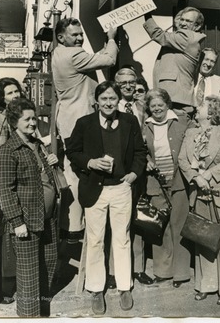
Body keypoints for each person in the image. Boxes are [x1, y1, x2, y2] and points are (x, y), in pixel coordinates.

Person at [65, 81, 146, 315]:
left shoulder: (129, 122)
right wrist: (90, 163)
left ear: (118, 100)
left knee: (122, 239)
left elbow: (140, 151)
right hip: (95, 190)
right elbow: (72, 151)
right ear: (96, 102)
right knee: (96, 240)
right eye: (104, 99)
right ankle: (96, 289)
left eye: (112, 99)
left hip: (121, 188)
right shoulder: (85, 123)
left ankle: (124, 286)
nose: (109, 103)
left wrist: (133, 174)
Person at [52, 17, 118, 241]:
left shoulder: (59, 53)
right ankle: (78, 227)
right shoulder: (73, 55)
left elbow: (92, 60)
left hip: (68, 117)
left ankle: (71, 226)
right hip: (79, 118)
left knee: (73, 169)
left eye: (81, 33)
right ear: (61, 37)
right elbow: (109, 60)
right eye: (75, 35)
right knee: (82, 171)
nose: (80, 37)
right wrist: (111, 38)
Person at [0, 98, 58, 317]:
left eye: (34, 118)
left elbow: (44, 178)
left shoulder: (38, 145)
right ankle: (29, 316)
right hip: (27, 222)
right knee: (29, 275)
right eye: (27, 119)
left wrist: (52, 163)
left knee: (48, 267)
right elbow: (6, 190)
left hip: (48, 218)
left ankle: (41, 312)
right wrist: (17, 222)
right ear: (14, 122)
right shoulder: (7, 151)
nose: (33, 123)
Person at [179, 96, 220, 305]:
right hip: (200, 195)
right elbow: (182, 160)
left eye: (202, 106)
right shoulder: (190, 133)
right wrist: (197, 177)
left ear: (212, 111)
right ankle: (206, 285)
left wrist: (210, 174)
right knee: (204, 241)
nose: (197, 108)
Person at [143, 88, 191, 288]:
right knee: (160, 226)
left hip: (178, 180)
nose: (156, 109)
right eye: (152, 106)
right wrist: (146, 161)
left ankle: (181, 273)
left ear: (167, 104)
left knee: (178, 226)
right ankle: (163, 271)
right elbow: (139, 149)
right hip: (156, 181)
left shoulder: (182, 120)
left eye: (160, 105)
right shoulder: (144, 125)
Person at [112, 67, 153, 286]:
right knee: (117, 224)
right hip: (116, 175)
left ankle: (138, 268)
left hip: (138, 173)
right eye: (123, 83)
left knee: (137, 220)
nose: (128, 86)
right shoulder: (109, 104)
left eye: (131, 82)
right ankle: (113, 271)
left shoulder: (141, 108)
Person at [0, 77, 23, 306]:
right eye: (10, 93)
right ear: (2, 98)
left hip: (14, 181)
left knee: (8, 237)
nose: (15, 96)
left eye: (17, 92)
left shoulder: (20, 119)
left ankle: (6, 286)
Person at [143, 7, 206, 114]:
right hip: (176, 96)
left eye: (188, 21)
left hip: (175, 98)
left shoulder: (188, 38)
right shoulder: (184, 37)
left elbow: (159, 35)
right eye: (182, 19)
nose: (183, 23)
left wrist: (147, 15)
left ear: (197, 26)